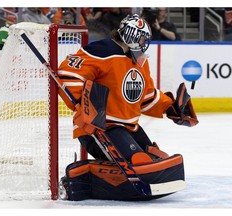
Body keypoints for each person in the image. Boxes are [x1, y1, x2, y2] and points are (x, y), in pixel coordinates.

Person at [57, 14, 198, 201]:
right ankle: (80, 177)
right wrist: (88, 107)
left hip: (129, 127)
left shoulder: (139, 61)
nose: (144, 43)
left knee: (156, 160)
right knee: (139, 164)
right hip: (99, 128)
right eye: (141, 39)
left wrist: (170, 107)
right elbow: (67, 73)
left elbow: (146, 96)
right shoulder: (103, 50)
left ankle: (96, 175)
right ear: (131, 36)